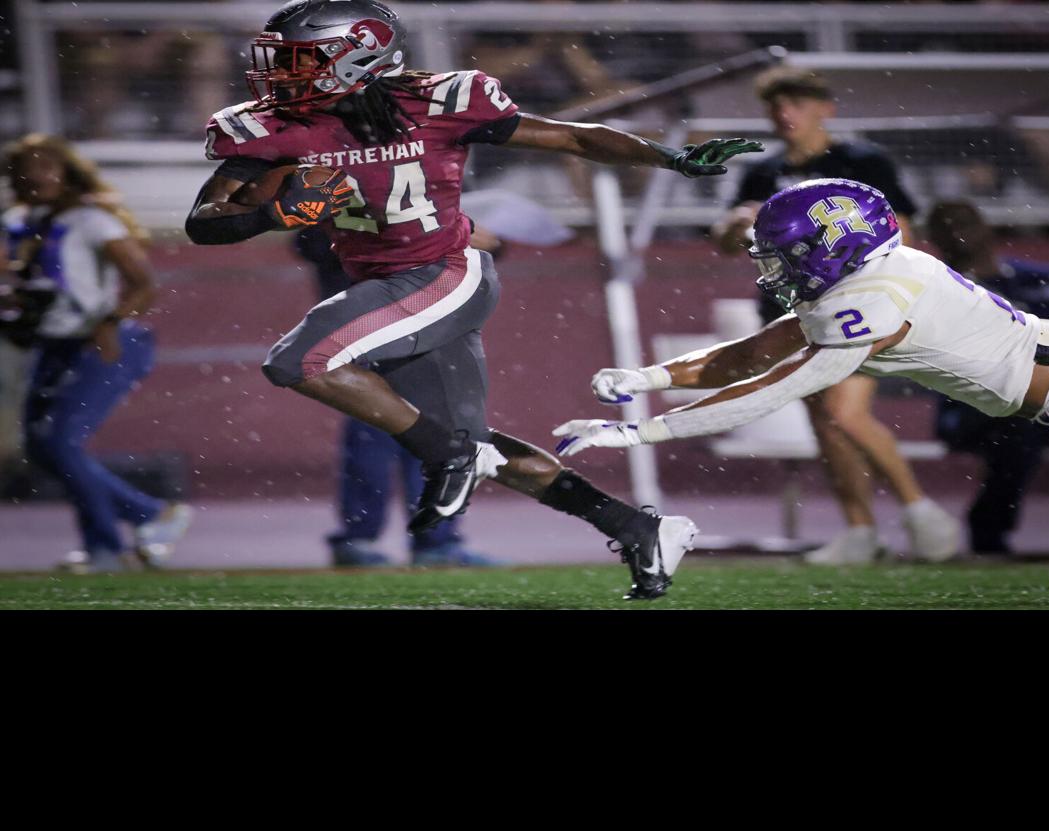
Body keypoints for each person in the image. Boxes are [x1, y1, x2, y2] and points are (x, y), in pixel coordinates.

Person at [183, 0, 762, 600]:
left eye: (297, 61)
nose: (278, 74)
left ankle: (447, 459)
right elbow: (206, 221)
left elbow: (574, 138)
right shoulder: (273, 125)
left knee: (298, 360)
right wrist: (274, 215)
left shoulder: (439, 102)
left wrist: (670, 157)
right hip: (382, 282)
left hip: (444, 273)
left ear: (355, 57)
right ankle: (638, 528)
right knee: (474, 443)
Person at [553, 180, 1049, 575]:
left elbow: (772, 388)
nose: (769, 268)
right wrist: (645, 376)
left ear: (832, 246)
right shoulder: (872, 273)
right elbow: (753, 353)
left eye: (783, 253)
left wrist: (637, 433)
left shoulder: (874, 300)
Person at [709, 67, 959, 565]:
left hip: (859, 307)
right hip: (796, 314)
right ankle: (861, 530)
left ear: (826, 107)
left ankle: (920, 510)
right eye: (777, 105)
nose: (786, 114)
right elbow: (727, 242)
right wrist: (737, 226)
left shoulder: (860, 161)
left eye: (797, 102)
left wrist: (881, 292)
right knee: (825, 422)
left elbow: (900, 230)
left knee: (846, 414)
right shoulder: (762, 172)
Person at [3, 134, 193, 573]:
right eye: (25, 167)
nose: (36, 174)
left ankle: (105, 547)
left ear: (66, 170)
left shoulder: (92, 221)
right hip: (54, 342)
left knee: (60, 441)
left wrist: (109, 322)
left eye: (45, 164)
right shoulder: (19, 220)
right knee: (42, 446)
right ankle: (150, 516)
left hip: (102, 341)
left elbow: (143, 282)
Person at [293, 224, 502, 568]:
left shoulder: (354, 185)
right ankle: (387, 538)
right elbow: (312, 241)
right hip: (375, 324)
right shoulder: (347, 189)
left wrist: (481, 241)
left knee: (426, 433)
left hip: (413, 323)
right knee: (380, 432)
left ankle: (422, 539)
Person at [925, 199, 1049, 555]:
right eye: (946, 226)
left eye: (965, 222)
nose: (958, 232)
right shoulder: (941, 291)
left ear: (986, 227)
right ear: (935, 239)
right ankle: (988, 535)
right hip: (974, 409)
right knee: (1022, 426)